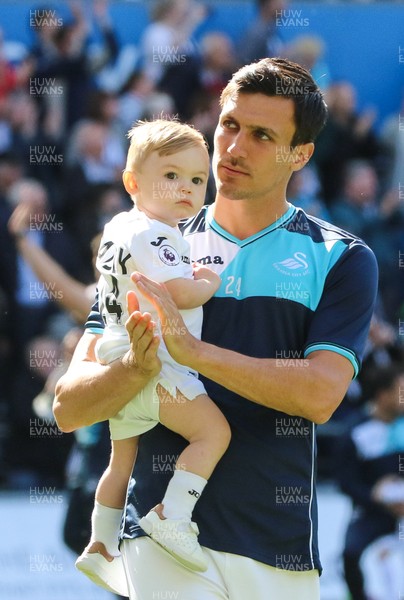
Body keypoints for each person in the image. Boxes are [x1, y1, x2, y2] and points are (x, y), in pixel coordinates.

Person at [54, 58, 379, 599]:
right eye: (228, 124)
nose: (233, 147)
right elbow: (69, 408)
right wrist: (135, 367)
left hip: (280, 545)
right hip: (161, 542)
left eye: (261, 135)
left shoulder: (341, 256)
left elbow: (321, 395)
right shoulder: (143, 239)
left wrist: (194, 352)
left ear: (300, 154)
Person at [74, 119, 230, 596]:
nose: (186, 188)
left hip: (118, 361)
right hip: (156, 361)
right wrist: (208, 281)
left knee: (120, 464)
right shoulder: (156, 233)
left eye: (197, 180)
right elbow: (178, 292)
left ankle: (100, 543)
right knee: (212, 432)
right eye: (172, 176)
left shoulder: (118, 226)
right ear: (132, 182)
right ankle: (172, 514)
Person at [335, 363, 404, 600]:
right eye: (401, 391)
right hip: (373, 512)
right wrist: (376, 496)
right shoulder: (356, 432)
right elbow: (346, 483)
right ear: (383, 395)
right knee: (350, 553)